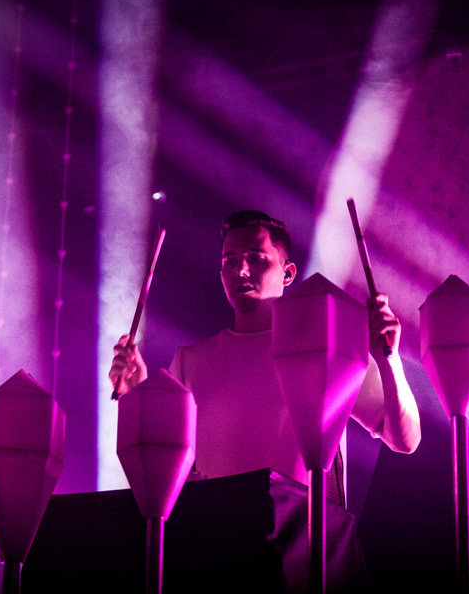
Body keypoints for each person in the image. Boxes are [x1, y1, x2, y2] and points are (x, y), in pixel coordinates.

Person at [109, 210, 421, 506]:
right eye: (229, 262)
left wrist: (388, 360)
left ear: (288, 273)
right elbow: (161, 474)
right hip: (217, 544)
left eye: (256, 259)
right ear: (220, 275)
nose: (241, 271)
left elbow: (404, 440)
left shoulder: (328, 347)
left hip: (305, 545)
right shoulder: (190, 362)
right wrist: (137, 396)